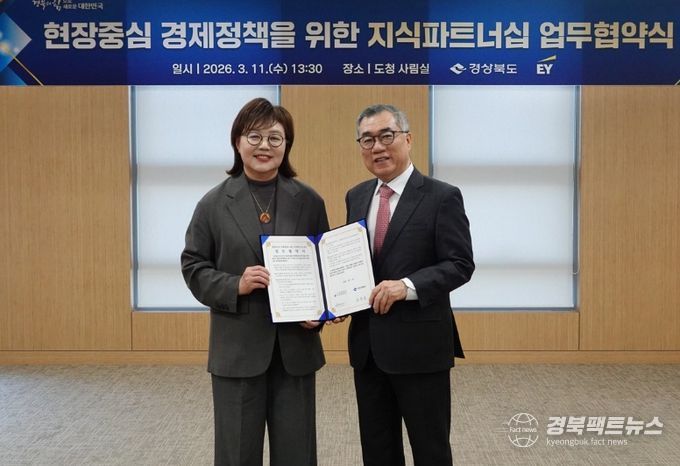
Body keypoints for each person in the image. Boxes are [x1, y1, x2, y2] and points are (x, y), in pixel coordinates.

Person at [181, 97, 329, 466]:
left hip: (295, 349)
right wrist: (236, 284)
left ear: (287, 145)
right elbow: (193, 266)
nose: (264, 146)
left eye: (275, 138)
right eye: (254, 136)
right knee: (237, 454)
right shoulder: (213, 204)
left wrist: (321, 312)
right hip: (237, 350)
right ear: (237, 142)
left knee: (297, 455)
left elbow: (324, 269)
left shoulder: (309, 200)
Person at [345, 104, 475, 466]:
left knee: (430, 449)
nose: (377, 147)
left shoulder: (441, 196)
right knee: (377, 450)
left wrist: (407, 286)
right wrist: (338, 299)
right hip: (368, 349)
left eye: (387, 136)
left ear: (408, 139)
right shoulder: (356, 196)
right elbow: (354, 264)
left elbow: (460, 264)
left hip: (421, 348)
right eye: (367, 140)